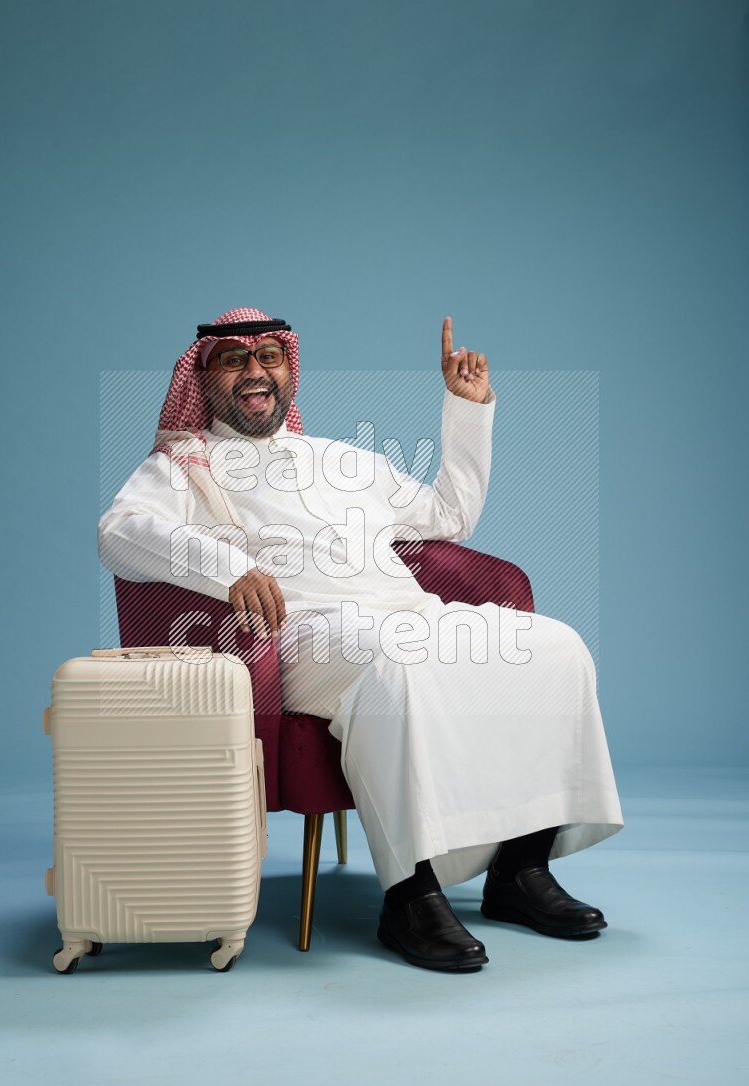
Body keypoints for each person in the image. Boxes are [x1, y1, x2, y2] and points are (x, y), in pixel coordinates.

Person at [99, 306, 624, 973]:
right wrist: (229, 568)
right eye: (234, 360)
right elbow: (118, 533)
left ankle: (520, 870)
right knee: (397, 666)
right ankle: (410, 895)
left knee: (554, 649)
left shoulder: (344, 460)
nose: (256, 372)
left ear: (290, 368)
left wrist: (466, 410)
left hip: (404, 612)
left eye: (270, 356)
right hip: (300, 634)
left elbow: (448, 516)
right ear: (204, 378)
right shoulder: (184, 468)